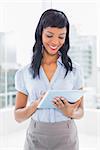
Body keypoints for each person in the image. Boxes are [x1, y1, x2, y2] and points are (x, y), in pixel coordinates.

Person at [14, 9, 84, 150]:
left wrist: (70, 112)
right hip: (36, 137)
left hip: (66, 136)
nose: (55, 42)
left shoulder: (75, 71)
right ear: (40, 33)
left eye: (61, 37)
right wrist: (35, 105)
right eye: (49, 35)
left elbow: (81, 111)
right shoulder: (24, 73)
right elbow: (18, 116)